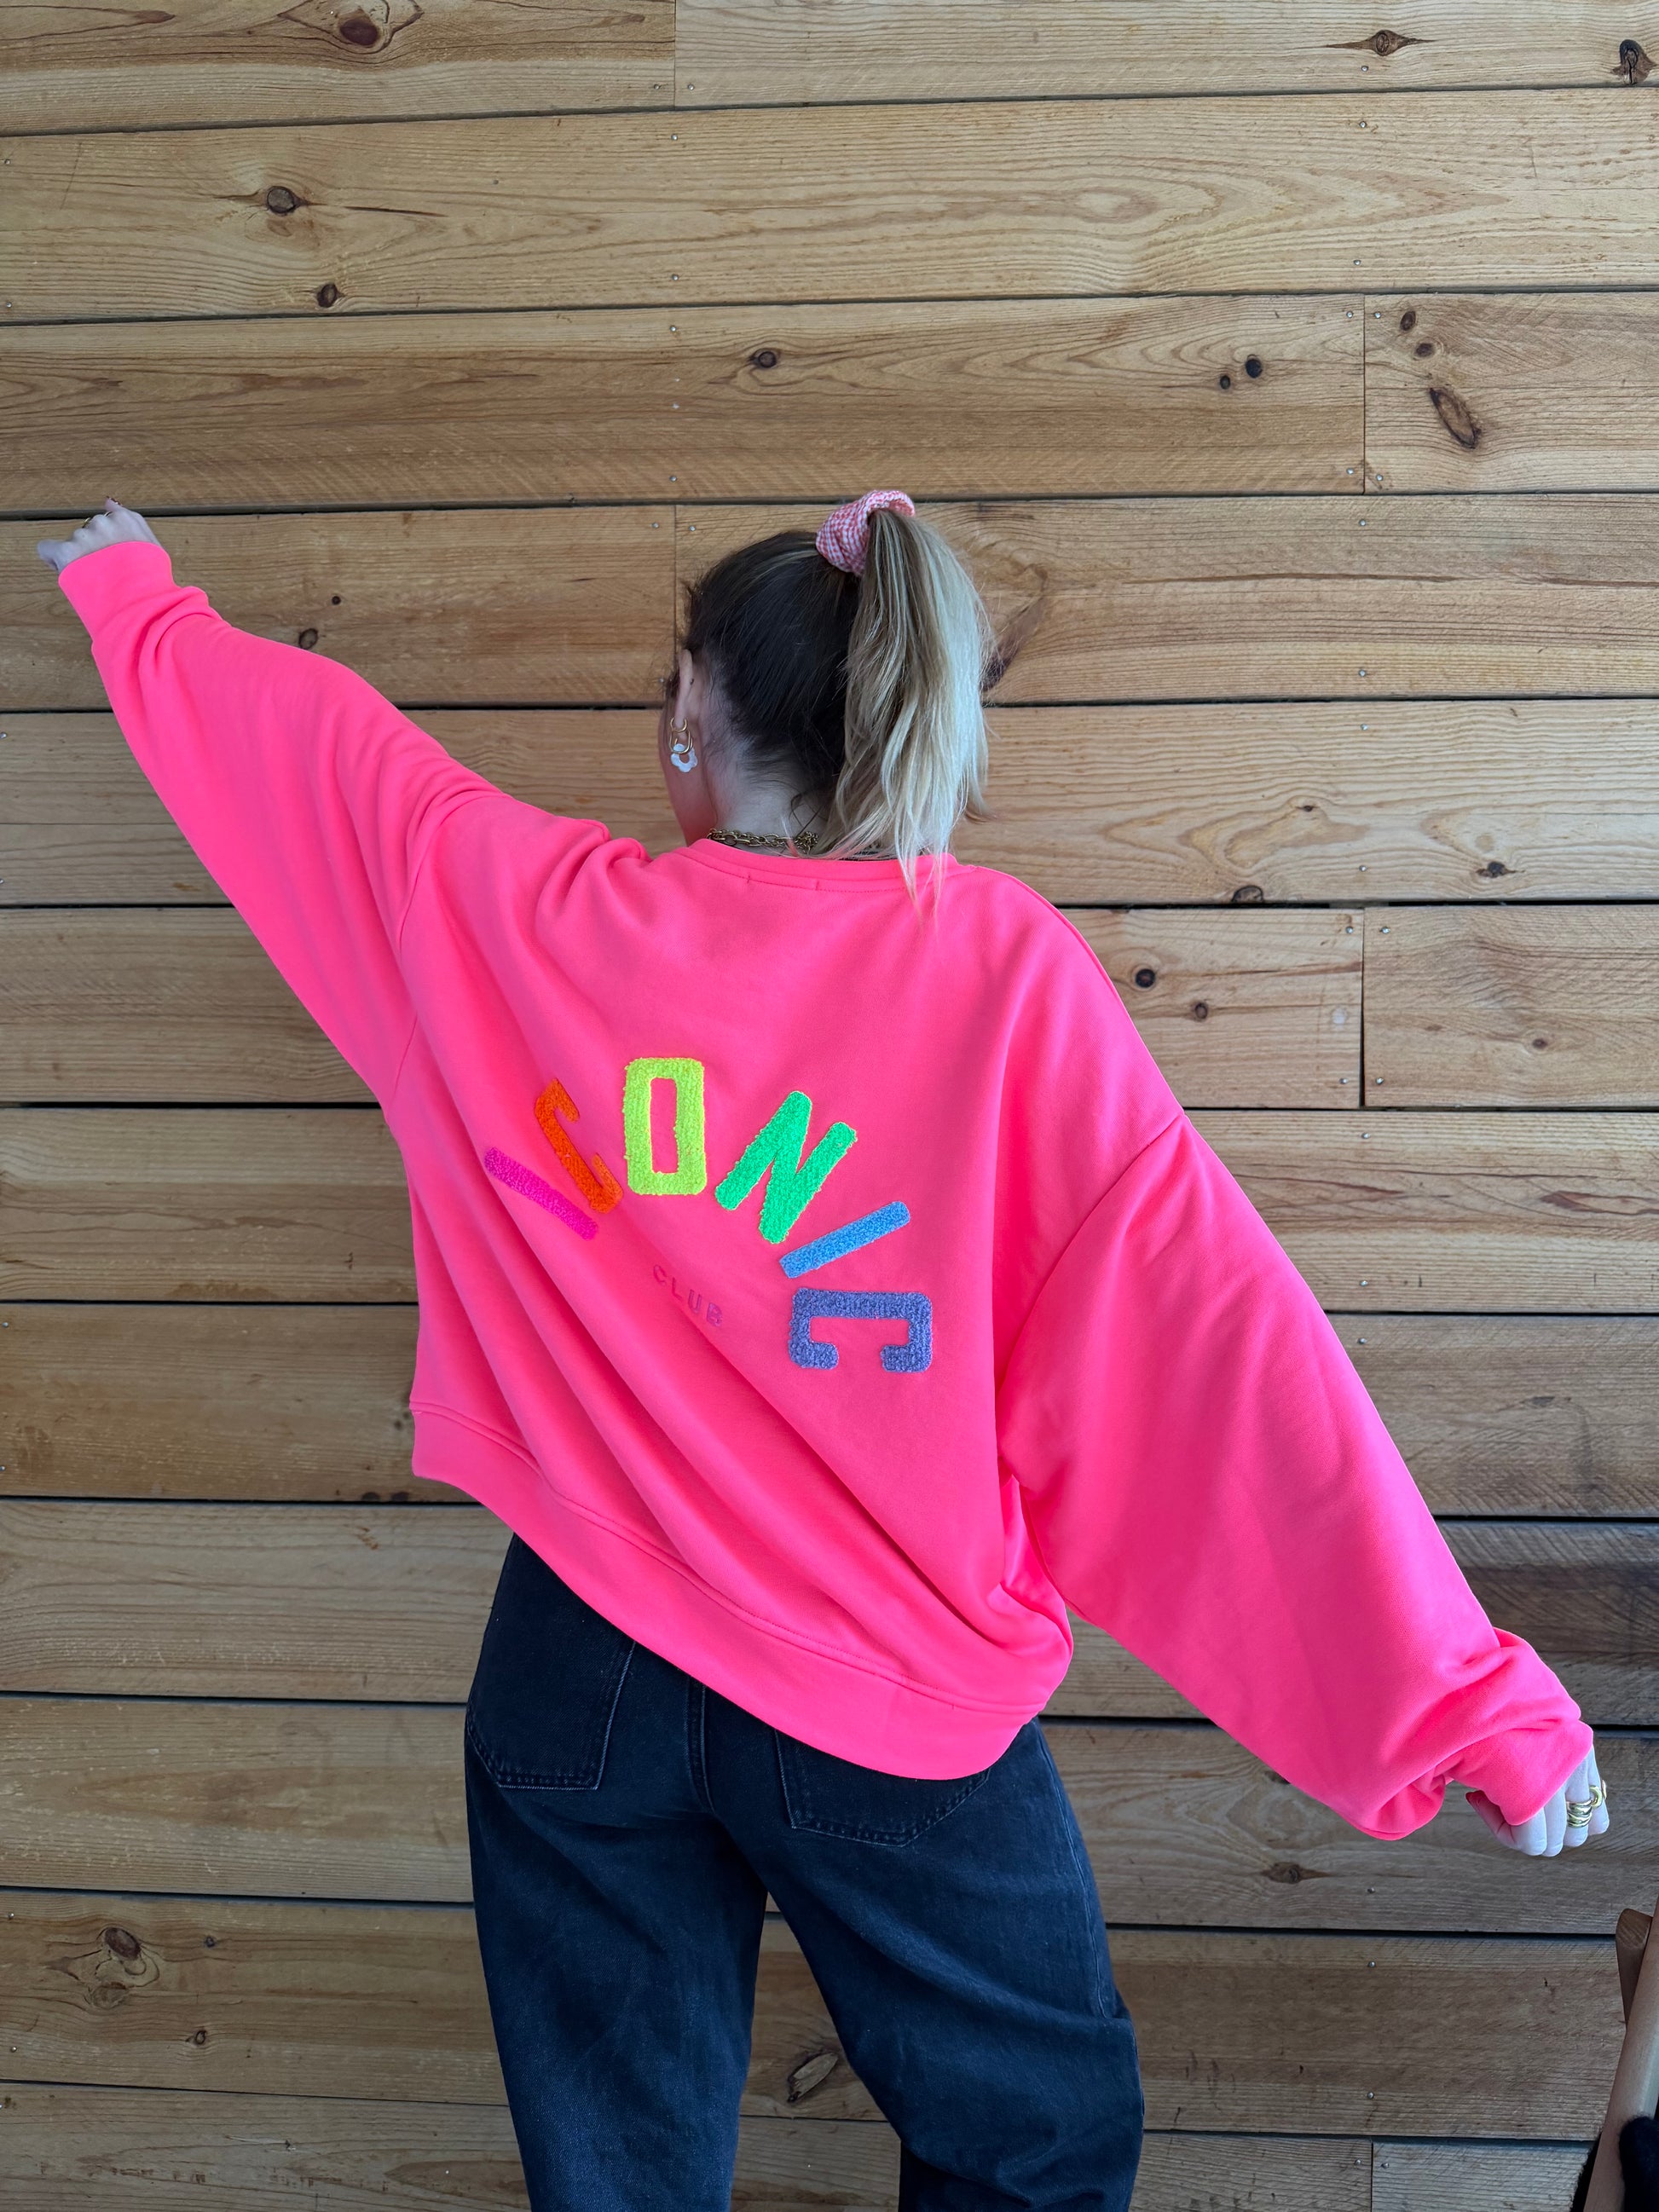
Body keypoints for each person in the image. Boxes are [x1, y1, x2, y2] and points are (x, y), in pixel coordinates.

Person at [38, 492, 1608, 2212]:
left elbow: (321, 760)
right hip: (883, 1681)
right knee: (1037, 2146)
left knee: (615, 2179)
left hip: (577, 1661)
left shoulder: (507, 904)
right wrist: (1458, 1704)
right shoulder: (999, 973)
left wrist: (139, 603)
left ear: (688, 715)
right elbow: (1213, 1358)